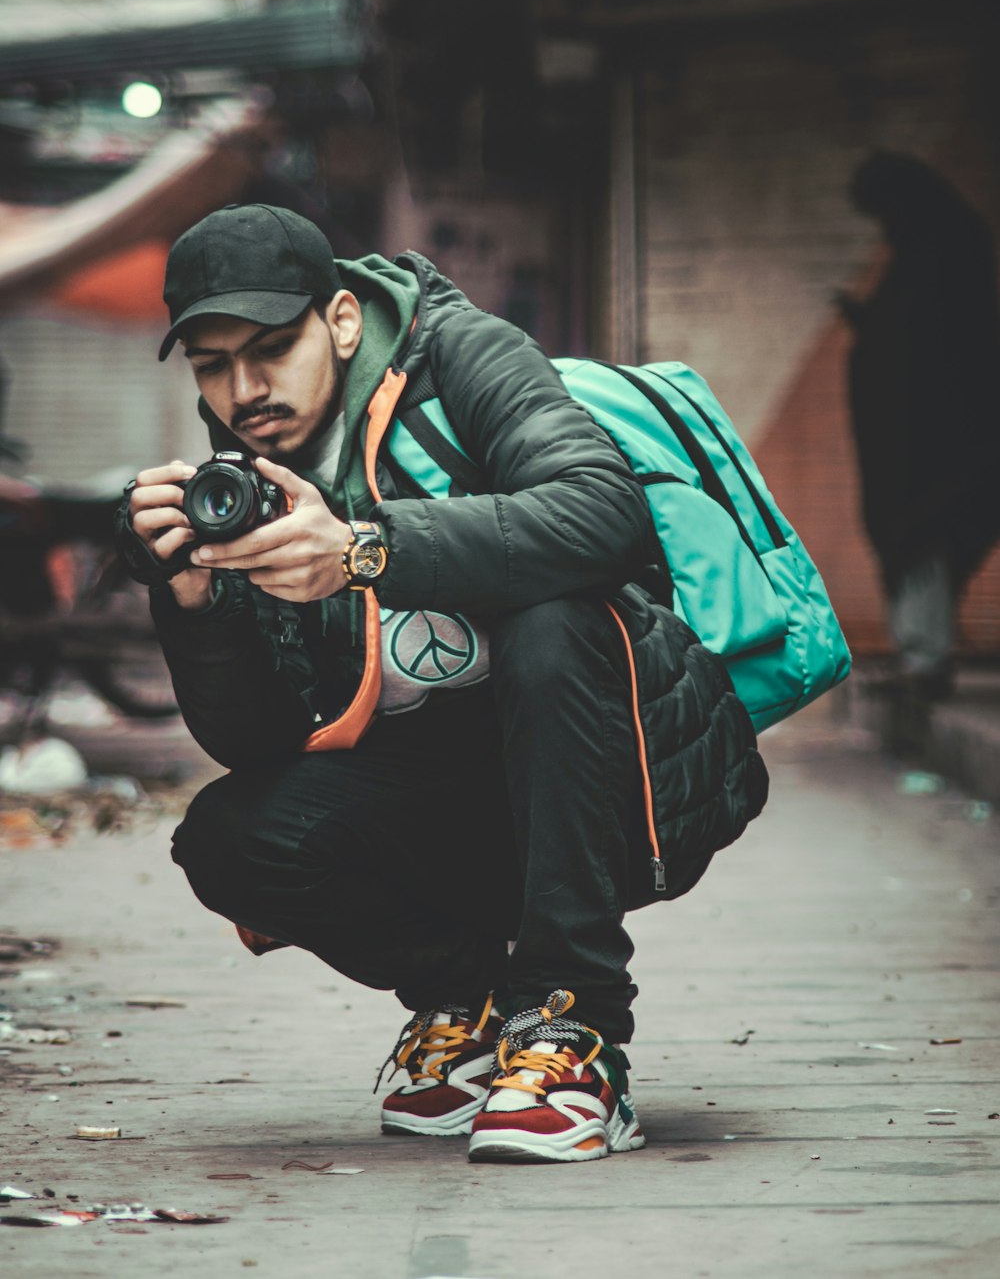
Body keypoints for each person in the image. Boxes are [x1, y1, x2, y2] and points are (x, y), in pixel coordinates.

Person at [117, 203, 768, 1165]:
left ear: (340, 320)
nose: (244, 388)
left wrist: (364, 552)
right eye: (213, 364)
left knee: (553, 618)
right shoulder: (243, 478)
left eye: (269, 348)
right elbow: (255, 746)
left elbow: (603, 516)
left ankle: (572, 1032)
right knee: (229, 837)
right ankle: (473, 1006)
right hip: (450, 793)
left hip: (612, 766)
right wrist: (191, 600)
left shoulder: (461, 354)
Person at [839, 153, 1000, 699]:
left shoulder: (943, 250)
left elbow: (937, 339)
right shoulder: (930, 248)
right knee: (917, 538)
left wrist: (875, 331)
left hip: (937, 438)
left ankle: (925, 658)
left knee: (925, 534)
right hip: (919, 437)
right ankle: (921, 654)